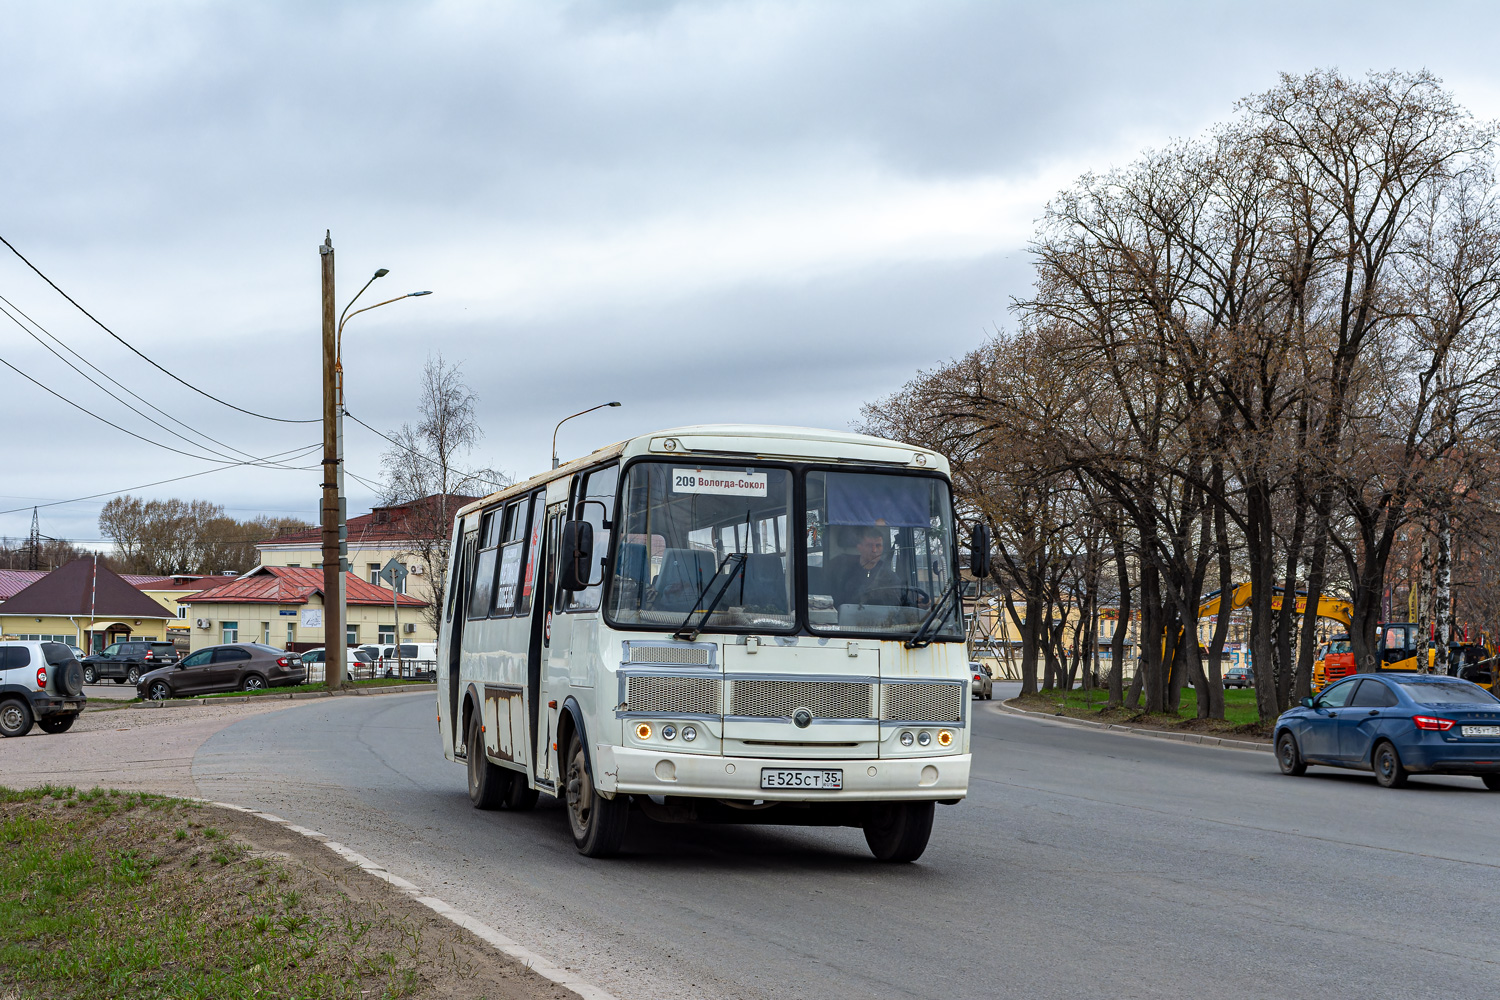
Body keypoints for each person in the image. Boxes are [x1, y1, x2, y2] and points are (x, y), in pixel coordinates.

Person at [828, 526, 902, 607]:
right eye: (870, 545)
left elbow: (902, 604)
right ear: (860, 548)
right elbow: (835, 604)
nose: (874, 550)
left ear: (882, 548)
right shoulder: (845, 575)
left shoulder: (890, 578)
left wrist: (917, 602)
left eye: (878, 545)